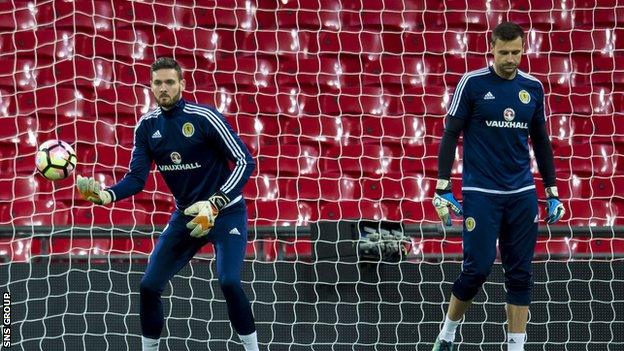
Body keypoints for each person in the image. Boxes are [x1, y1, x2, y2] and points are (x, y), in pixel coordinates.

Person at [76, 57, 259, 351]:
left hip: (225, 212)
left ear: (182, 85)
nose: (164, 88)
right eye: (158, 83)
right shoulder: (147, 127)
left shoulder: (205, 118)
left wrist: (215, 203)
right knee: (148, 285)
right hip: (186, 215)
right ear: (150, 86)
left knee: (229, 281)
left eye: (170, 82)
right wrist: (107, 195)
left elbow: (244, 161)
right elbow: (137, 179)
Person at [431, 22, 565, 351]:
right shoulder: (472, 84)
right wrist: (442, 186)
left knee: (520, 274)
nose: (510, 58)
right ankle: (448, 333)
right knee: (476, 269)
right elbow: (451, 133)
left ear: (523, 49)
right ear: (491, 49)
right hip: (482, 193)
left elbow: (542, 141)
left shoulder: (533, 88)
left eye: (516, 52)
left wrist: (552, 190)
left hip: (521, 194)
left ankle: (516, 347)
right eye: (503, 52)